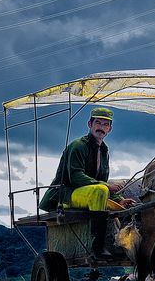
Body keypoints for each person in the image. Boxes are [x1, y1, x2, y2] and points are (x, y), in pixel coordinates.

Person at [39, 106, 129, 257]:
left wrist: (120, 201)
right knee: (101, 189)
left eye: (105, 125)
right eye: (98, 123)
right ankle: (97, 247)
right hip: (66, 194)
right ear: (90, 124)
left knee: (109, 193)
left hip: (89, 194)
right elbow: (75, 177)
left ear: (110, 129)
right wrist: (106, 186)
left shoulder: (105, 151)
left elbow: (100, 181)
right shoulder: (78, 146)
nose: (101, 128)